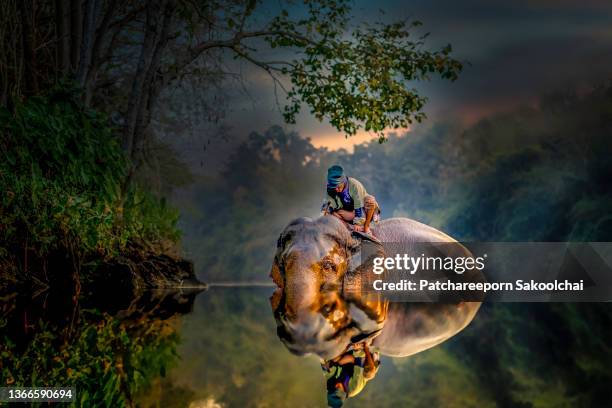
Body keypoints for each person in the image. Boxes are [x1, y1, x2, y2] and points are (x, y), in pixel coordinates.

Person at [322, 165, 380, 235]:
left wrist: (357, 223)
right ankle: (347, 227)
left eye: (338, 187)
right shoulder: (330, 189)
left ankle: (366, 226)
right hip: (349, 213)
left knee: (370, 200)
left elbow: (358, 206)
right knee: (332, 213)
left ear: (343, 182)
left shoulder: (354, 184)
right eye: (333, 187)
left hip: (363, 211)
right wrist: (323, 219)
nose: (336, 189)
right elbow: (326, 206)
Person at [322, 342, 381, 407]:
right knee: (369, 373)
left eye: (335, 387)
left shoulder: (329, 383)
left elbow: (332, 363)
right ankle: (371, 350)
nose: (337, 385)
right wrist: (358, 350)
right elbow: (360, 362)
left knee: (334, 361)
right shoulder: (354, 388)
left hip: (344, 363)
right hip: (364, 366)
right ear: (344, 393)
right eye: (339, 388)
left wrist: (346, 348)